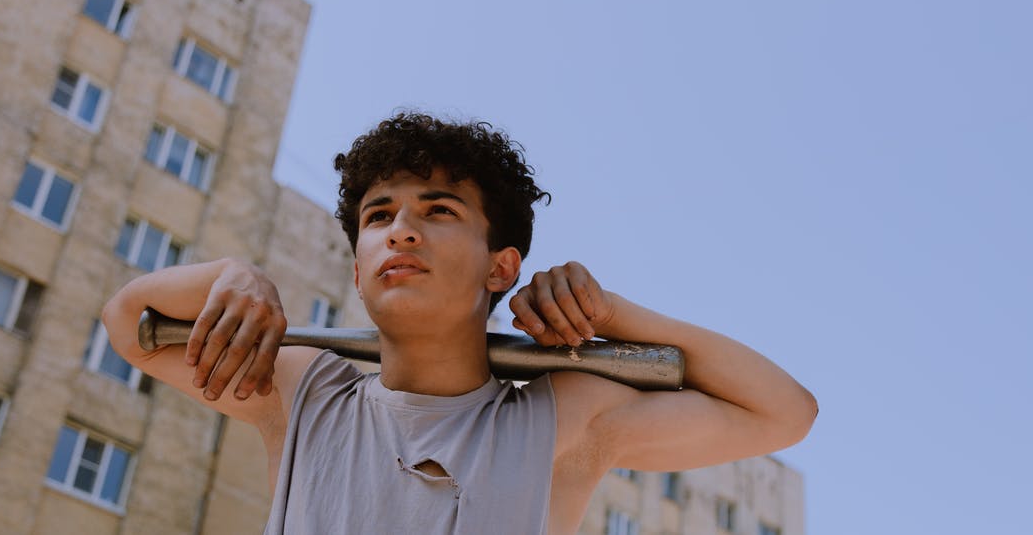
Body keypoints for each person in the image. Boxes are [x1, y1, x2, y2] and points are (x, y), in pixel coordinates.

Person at [101, 113, 817, 534]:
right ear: (357, 270)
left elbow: (783, 411)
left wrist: (610, 314)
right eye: (379, 215)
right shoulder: (302, 394)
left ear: (500, 267)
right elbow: (129, 324)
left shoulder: (560, 421)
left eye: (438, 210)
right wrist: (230, 276)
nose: (401, 230)